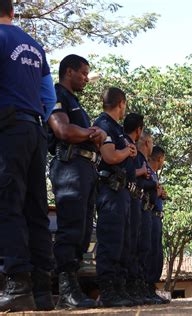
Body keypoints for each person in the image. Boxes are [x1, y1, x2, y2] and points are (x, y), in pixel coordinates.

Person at [0, 0, 56, 312]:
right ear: (11, 10)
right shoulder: (35, 46)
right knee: (36, 209)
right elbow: (48, 96)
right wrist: (32, 116)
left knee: (8, 205)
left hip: (9, 131)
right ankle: (42, 291)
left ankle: (17, 283)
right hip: (35, 130)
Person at [48, 54, 104, 309]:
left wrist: (88, 134)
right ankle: (66, 289)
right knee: (70, 229)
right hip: (69, 166)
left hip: (85, 168)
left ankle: (75, 288)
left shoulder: (75, 102)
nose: (85, 78)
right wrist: (92, 132)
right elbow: (63, 131)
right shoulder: (56, 94)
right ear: (68, 72)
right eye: (82, 73)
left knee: (82, 232)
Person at [93, 87, 137, 307]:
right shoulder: (104, 124)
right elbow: (109, 156)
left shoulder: (117, 129)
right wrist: (127, 152)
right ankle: (108, 290)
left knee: (123, 243)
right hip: (110, 189)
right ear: (121, 103)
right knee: (111, 240)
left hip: (123, 192)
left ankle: (120, 288)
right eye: (124, 105)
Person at [123, 113, 149, 305]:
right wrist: (141, 172)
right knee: (128, 244)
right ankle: (122, 287)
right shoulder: (129, 147)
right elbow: (129, 171)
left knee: (140, 247)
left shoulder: (138, 154)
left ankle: (139, 287)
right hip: (126, 196)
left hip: (137, 201)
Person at [146, 145, 171, 304]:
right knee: (151, 253)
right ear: (160, 159)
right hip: (150, 215)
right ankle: (147, 287)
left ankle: (151, 287)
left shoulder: (154, 174)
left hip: (157, 217)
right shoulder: (147, 171)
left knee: (157, 254)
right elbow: (149, 195)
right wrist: (158, 193)